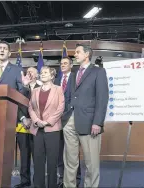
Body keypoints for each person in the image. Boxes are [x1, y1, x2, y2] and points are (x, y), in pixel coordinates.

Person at [62, 44, 109, 188]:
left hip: (89, 123)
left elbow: (102, 98)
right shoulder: (74, 72)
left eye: (77, 52)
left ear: (87, 54)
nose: (74, 55)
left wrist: (98, 122)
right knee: (70, 161)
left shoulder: (98, 71)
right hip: (70, 121)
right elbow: (70, 96)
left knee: (91, 163)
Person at [28, 66, 65, 188]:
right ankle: (38, 185)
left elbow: (61, 107)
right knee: (38, 161)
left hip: (52, 129)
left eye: (45, 72)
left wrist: (48, 122)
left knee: (52, 161)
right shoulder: (35, 91)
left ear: (52, 75)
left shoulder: (58, 89)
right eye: (41, 72)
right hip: (37, 129)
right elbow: (30, 108)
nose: (42, 74)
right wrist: (36, 120)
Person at [54, 57, 81, 188]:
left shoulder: (77, 78)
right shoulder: (56, 80)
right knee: (60, 150)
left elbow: (77, 97)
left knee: (72, 152)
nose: (63, 65)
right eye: (61, 64)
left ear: (71, 65)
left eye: (65, 63)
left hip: (71, 118)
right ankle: (62, 179)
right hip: (57, 119)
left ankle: (76, 179)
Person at [14, 67, 42, 188]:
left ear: (37, 75)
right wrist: (23, 118)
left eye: (32, 72)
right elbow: (17, 105)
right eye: (28, 72)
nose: (29, 73)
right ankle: (25, 180)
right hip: (22, 125)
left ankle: (38, 181)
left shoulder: (42, 88)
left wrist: (33, 119)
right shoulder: (20, 88)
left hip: (36, 126)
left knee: (37, 155)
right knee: (24, 154)